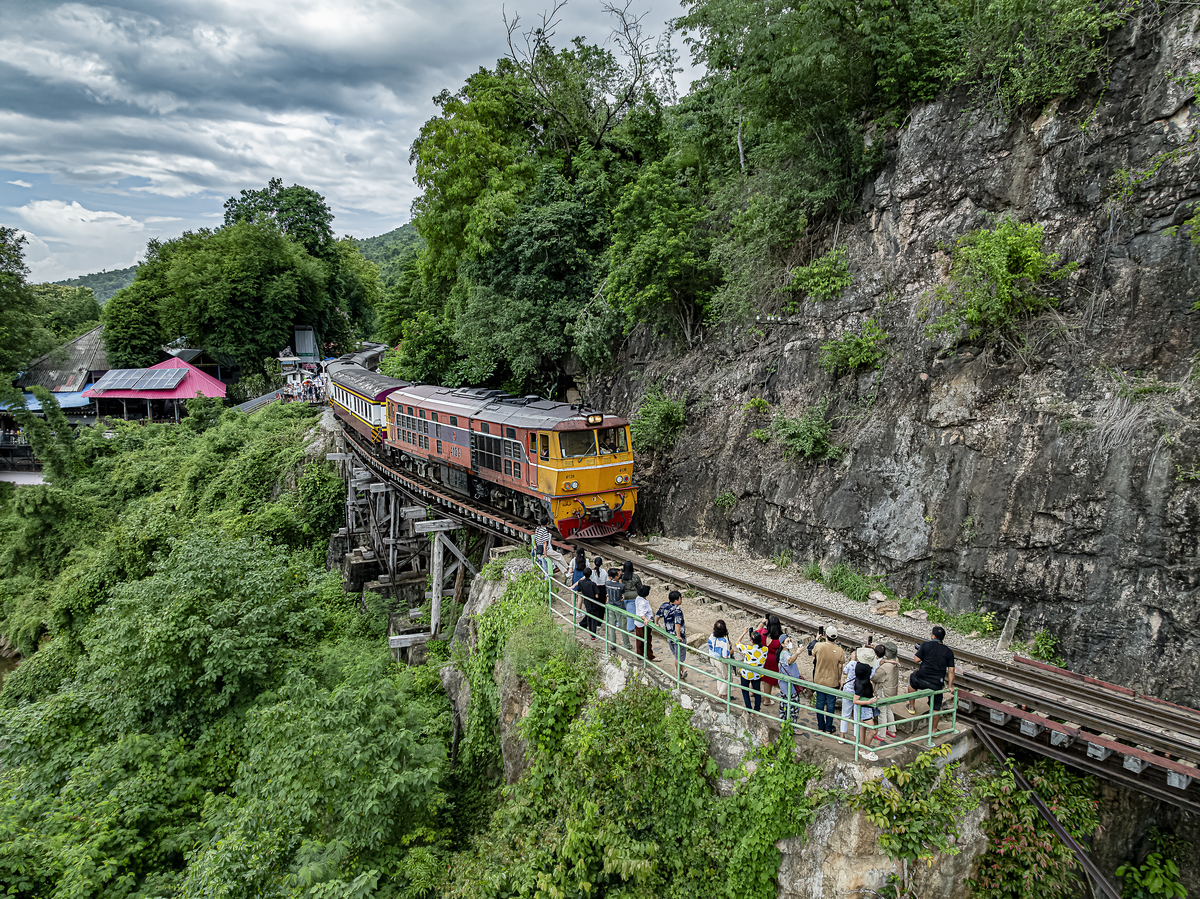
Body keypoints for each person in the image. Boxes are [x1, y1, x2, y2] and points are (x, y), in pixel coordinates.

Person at [905, 626, 956, 732]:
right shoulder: (948, 652)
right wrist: (950, 686)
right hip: (936, 684)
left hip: (921, 679)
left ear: (933, 636)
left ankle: (911, 707)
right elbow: (951, 671)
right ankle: (933, 730)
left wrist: (922, 652)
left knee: (912, 680)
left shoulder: (925, 645)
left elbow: (916, 659)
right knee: (936, 708)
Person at [811, 627, 845, 734]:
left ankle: (821, 726)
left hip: (819, 680)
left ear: (826, 635)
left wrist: (817, 639)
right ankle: (829, 728)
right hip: (832, 681)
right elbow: (840, 667)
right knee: (831, 705)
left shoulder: (818, 646)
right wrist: (839, 680)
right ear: (836, 638)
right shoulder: (839, 651)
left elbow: (812, 653)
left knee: (820, 703)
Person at [852, 661, 883, 761]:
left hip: (865, 709)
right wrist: (869, 701)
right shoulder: (862, 685)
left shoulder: (860, 682)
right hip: (866, 710)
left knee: (863, 728)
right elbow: (855, 700)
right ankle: (866, 749)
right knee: (873, 731)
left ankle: (862, 748)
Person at [872, 642, 900, 738]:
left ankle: (881, 734)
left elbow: (874, 678)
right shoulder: (896, 660)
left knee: (882, 712)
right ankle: (892, 731)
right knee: (888, 710)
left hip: (883, 691)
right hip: (892, 689)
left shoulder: (884, 668)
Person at [657, 590, 687, 679]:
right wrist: (678, 635)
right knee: (678, 657)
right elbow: (677, 624)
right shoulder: (677, 610)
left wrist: (656, 622)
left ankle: (683, 669)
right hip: (677, 636)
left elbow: (658, 614)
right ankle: (678, 674)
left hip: (669, 635)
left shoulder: (664, 606)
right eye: (680, 599)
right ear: (676, 600)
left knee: (676, 654)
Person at [735, 629, 768, 712]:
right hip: (757, 674)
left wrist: (743, 633)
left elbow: (737, 643)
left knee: (745, 691)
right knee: (757, 692)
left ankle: (749, 709)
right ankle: (757, 710)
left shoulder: (748, 648)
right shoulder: (765, 650)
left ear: (752, 641)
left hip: (746, 673)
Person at [757, 616, 783, 707]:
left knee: (765, 678)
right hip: (774, 660)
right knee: (774, 679)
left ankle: (763, 698)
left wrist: (762, 622)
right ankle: (769, 700)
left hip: (764, 658)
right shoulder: (780, 638)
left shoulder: (763, 633)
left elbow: (756, 631)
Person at [777, 635, 803, 722]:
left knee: (785, 705)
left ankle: (785, 723)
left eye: (790, 641)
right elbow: (790, 660)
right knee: (793, 707)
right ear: (782, 644)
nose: (790, 643)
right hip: (789, 687)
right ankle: (791, 726)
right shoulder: (785, 654)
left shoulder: (785, 653)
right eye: (788, 641)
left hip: (787, 686)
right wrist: (797, 653)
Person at [707, 620, 733, 700]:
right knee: (728, 678)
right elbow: (725, 656)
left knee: (719, 676)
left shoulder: (711, 636)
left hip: (712, 658)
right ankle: (719, 696)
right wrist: (730, 652)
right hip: (720, 661)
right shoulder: (724, 641)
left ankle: (724, 695)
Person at [621, 560, 642, 650]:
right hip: (633, 597)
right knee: (631, 613)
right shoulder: (635, 577)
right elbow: (640, 586)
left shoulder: (621, 577)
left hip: (623, 596)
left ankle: (619, 624)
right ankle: (629, 628)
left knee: (622, 612)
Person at [576, 568, 602, 640]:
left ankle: (590, 632)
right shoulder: (593, 584)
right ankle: (593, 635)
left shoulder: (581, 582)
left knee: (589, 616)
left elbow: (578, 591)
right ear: (591, 574)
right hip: (593, 603)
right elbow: (597, 595)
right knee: (593, 619)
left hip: (587, 602)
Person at [605, 567, 626, 648]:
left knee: (612, 627)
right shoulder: (621, 586)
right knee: (623, 627)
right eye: (618, 575)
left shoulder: (607, 584)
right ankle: (626, 644)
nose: (620, 576)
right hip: (619, 607)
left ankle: (612, 644)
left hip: (610, 606)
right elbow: (622, 594)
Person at [633, 584, 656, 661]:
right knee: (647, 640)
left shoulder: (638, 598)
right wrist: (646, 619)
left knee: (639, 640)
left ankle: (640, 655)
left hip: (638, 623)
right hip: (643, 624)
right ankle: (650, 656)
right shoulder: (643, 602)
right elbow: (642, 614)